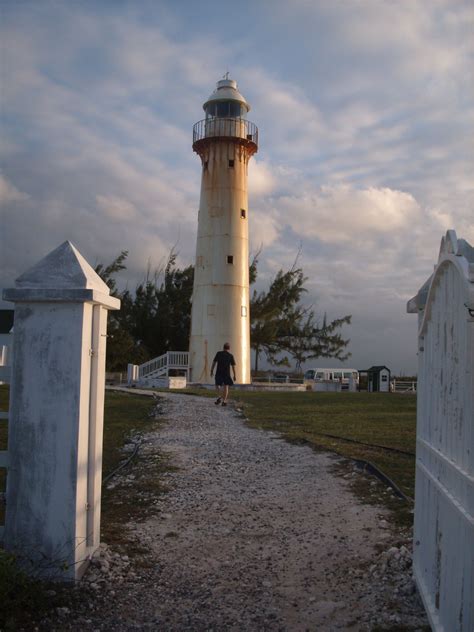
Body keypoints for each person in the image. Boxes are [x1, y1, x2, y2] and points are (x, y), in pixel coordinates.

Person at [210, 342, 236, 406]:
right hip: (226, 373)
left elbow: (214, 362)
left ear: (223, 347)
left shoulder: (218, 353)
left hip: (219, 372)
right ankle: (224, 401)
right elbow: (233, 366)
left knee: (217, 385)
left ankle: (219, 397)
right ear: (229, 348)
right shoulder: (230, 356)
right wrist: (235, 375)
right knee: (226, 386)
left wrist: (211, 370)